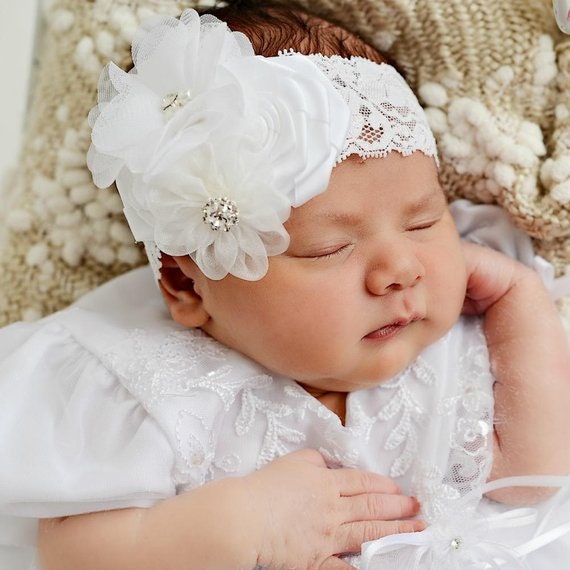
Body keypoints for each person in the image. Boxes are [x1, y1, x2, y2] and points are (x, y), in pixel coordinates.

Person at [1, 1, 569, 569]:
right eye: (330, 248)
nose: (401, 267)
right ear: (189, 287)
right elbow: (72, 553)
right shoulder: (149, 381)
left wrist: (520, 301)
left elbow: (530, 480)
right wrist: (244, 529)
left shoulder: (454, 343)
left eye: (423, 221)